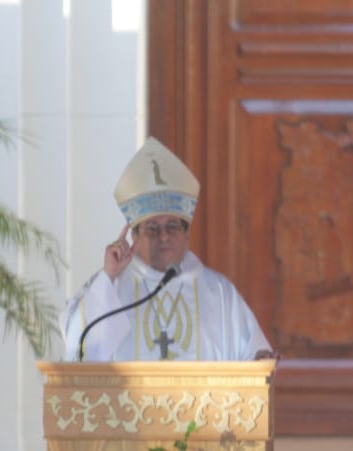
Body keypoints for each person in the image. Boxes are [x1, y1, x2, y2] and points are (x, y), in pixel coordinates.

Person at [62, 137, 276, 362]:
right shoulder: (111, 288)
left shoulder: (219, 292)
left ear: (186, 234)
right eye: (152, 229)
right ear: (134, 237)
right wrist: (109, 275)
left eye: (172, 227)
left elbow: (252, 359)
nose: (163, 236)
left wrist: (258, 360)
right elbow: (79, 351)